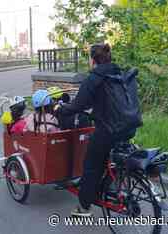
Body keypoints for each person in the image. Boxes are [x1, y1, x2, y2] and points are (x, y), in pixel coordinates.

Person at [55, 43, 138, 217]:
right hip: (128, 127)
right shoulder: (119, 74)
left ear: (92, 60)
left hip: (107, 131)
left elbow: (79, 105)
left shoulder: (94, 78)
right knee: (111, 158)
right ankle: (114, 184)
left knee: (91, 166)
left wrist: (60, 109)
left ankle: (84, 207)